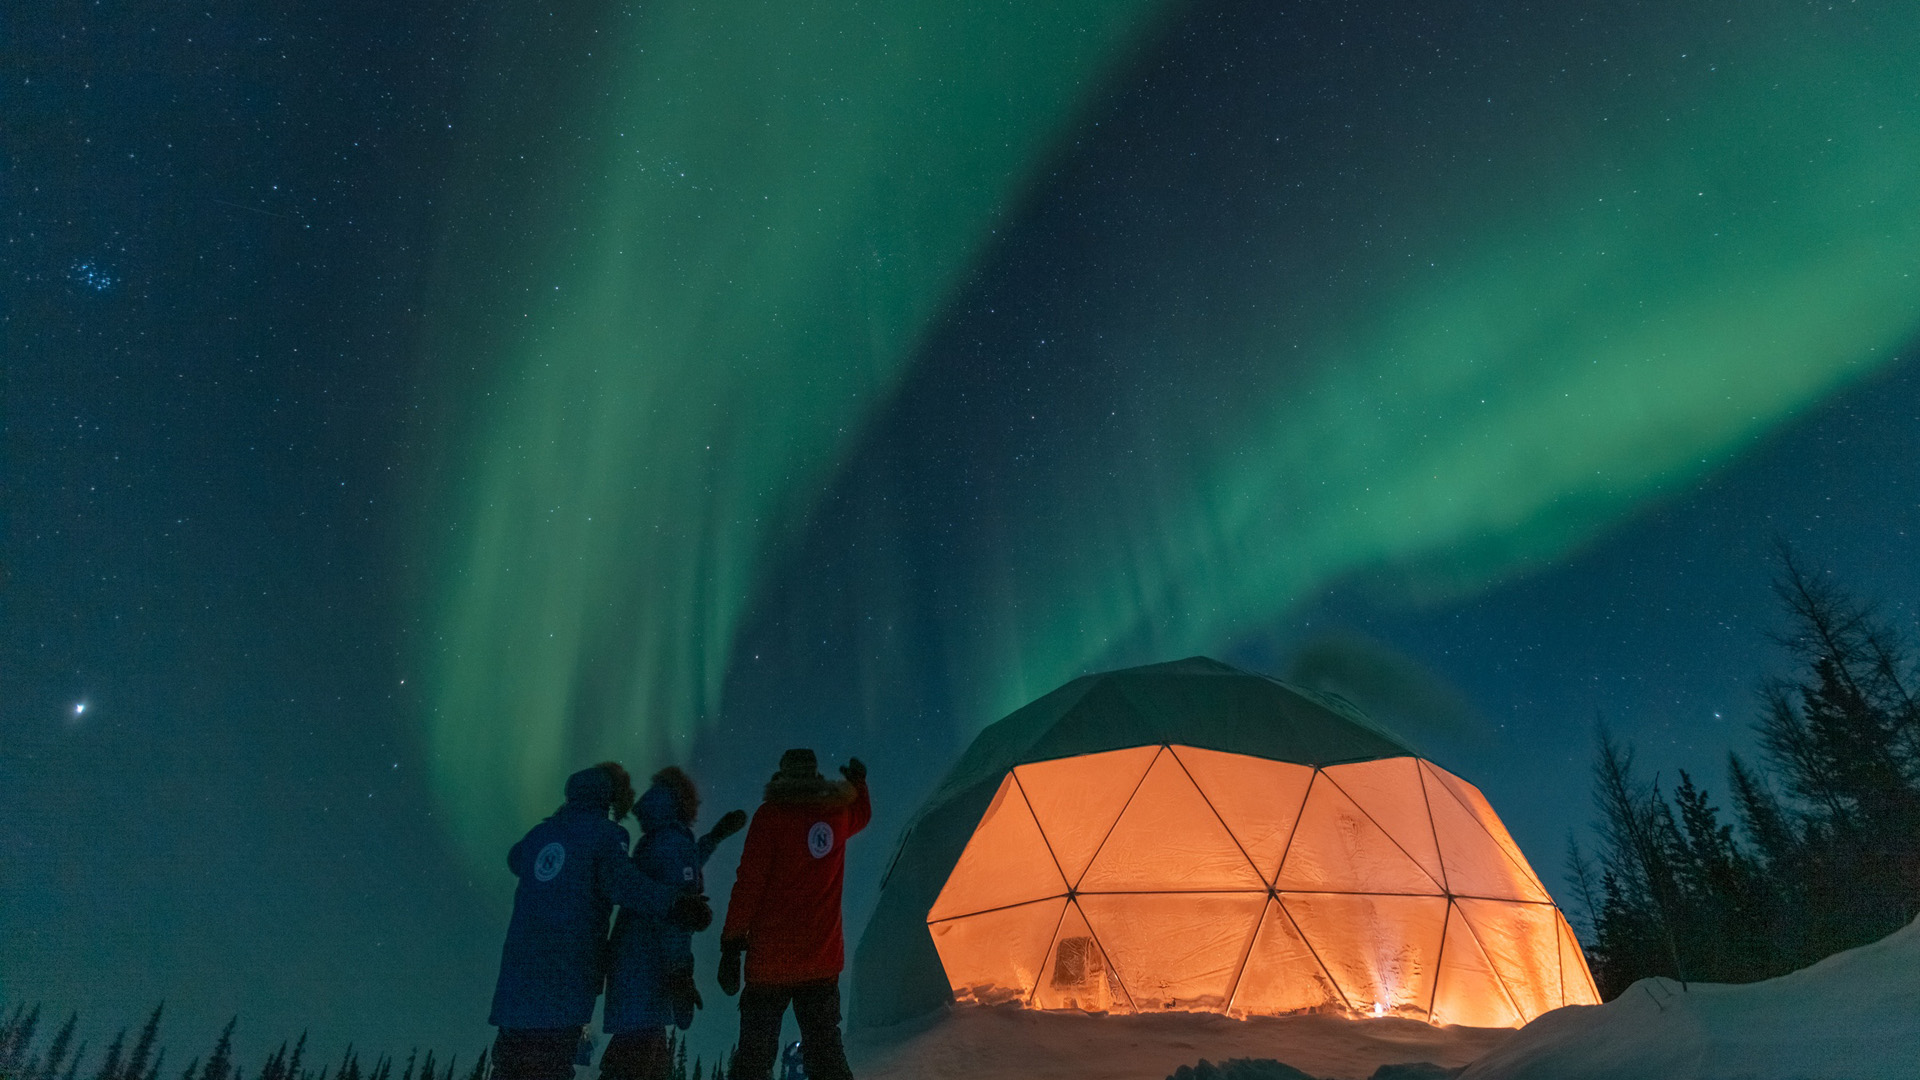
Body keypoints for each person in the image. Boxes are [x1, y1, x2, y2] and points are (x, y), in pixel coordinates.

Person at [488, 762, 712, 1080]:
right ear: (607, 796)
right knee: (548, 1067)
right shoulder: (605, 836)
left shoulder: (540, 836)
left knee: (509, 1067)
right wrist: (676, 904)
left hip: (515, 983)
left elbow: (516, 858)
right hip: (563, 978)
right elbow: (625, 884)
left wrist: (561, 825)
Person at [718, 749, 871, 1080]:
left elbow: (749, 884)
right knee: (827, 1055)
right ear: (815, 773)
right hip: (821, 960)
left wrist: (731, 943)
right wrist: (858, 784)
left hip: (770, 964)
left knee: (754, 1060)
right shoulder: (836, 815)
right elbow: (862, 815)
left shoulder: (770, 816)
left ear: (783, 774)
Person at [599, 767, 748, 1080]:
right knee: (635, 1063)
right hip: (651, 980)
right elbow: (678, 915)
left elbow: (681, 867)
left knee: (633, 1062)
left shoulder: (655, 842)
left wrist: (714, 839)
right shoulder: (671, 842)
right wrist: (681, 974)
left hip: (632, 977)